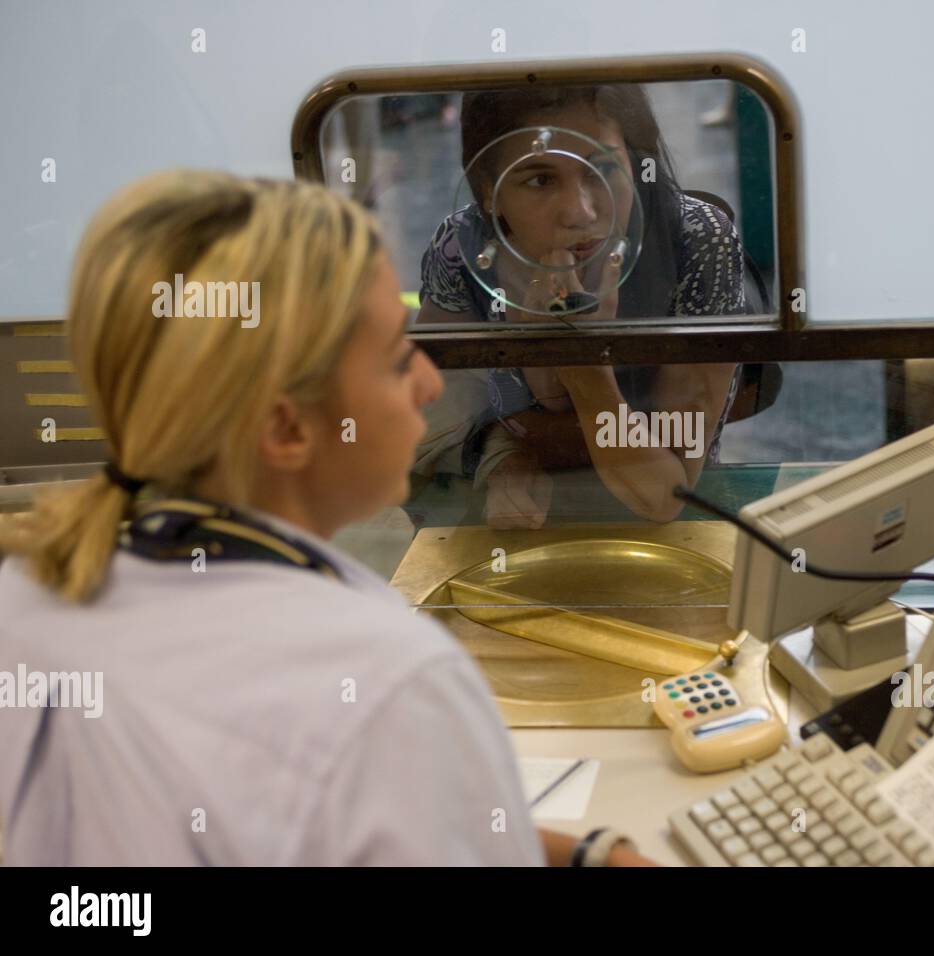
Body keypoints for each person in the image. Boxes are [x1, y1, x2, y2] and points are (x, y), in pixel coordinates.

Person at [0, 170, 653, 867]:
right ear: (287, 430)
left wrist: (585, 854)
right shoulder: (390, 682)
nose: (430, 383)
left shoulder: (26, 602)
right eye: (398, 360)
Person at [416, 85, 745, 528]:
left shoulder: (695, 240)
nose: (580, 211)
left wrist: (581, 362)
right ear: (489, 191)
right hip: (517, 527)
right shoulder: (461, 249)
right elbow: (429, 430)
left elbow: (666, 494)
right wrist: (503, 455)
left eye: (602, 169)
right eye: (540, 179)